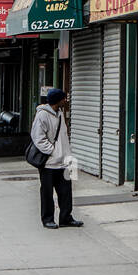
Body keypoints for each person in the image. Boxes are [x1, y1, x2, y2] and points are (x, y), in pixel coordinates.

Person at [30, 88, 82, 230]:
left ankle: (66, 217)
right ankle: (48, 219)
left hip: (65, 162)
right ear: (57, 100)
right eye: (63, 98)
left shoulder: (59, 113)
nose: (65, 100)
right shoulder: (42, 116)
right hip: (49, 163)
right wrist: (54, 152)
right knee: (47, 193)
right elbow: (38, 138)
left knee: (66, 191)